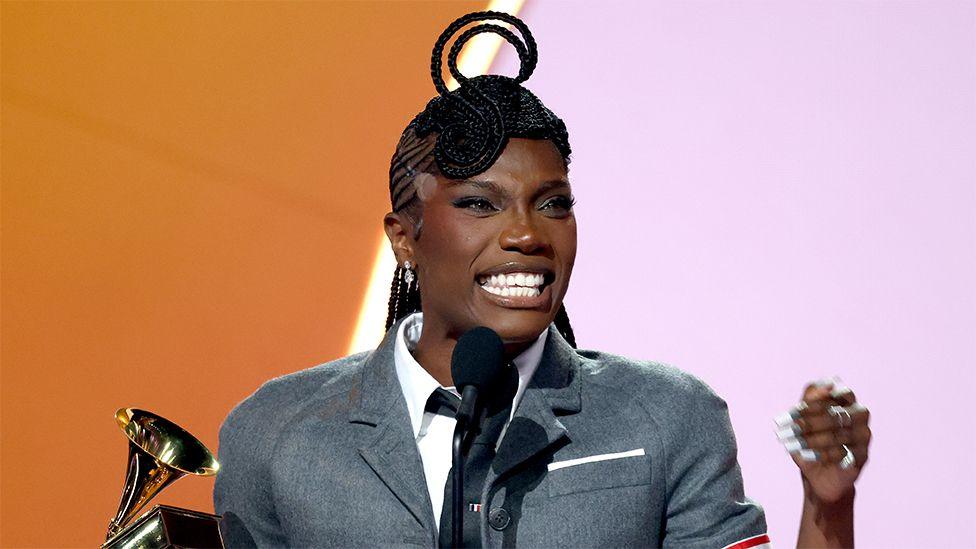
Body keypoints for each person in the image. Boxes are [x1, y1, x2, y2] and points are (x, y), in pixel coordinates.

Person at [214, 11, 871, 548]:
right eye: (480, 203)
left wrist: (825, 508)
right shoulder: (276, 433)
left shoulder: (669, 417)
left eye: (553, 202)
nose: (528, 234)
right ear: (405, 238)